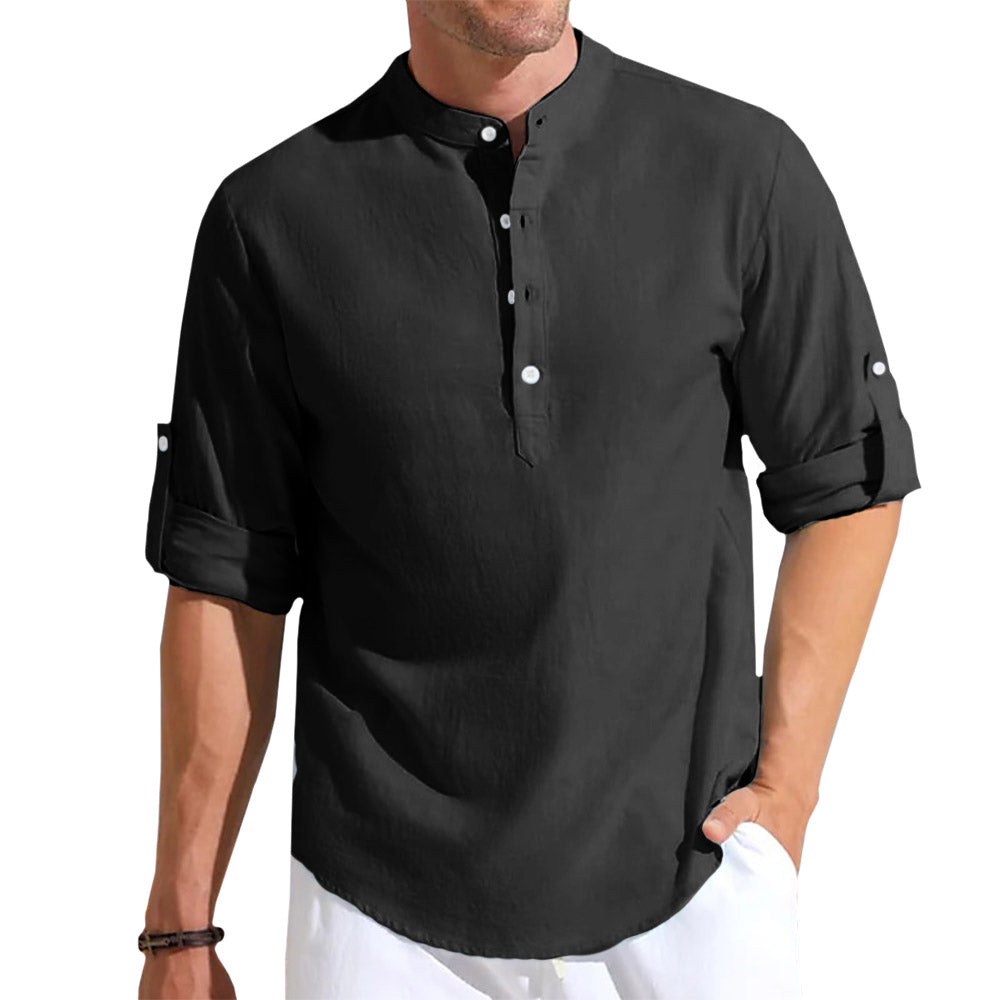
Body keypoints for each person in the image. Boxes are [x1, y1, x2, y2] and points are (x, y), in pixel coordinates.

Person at [137, 2, 920, 998]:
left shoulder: (738, 167)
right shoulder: (272, 215)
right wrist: (180, 926)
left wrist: (789, 791)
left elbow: (846, 480)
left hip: (694, 879)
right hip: (378, 905)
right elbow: (226, 574)